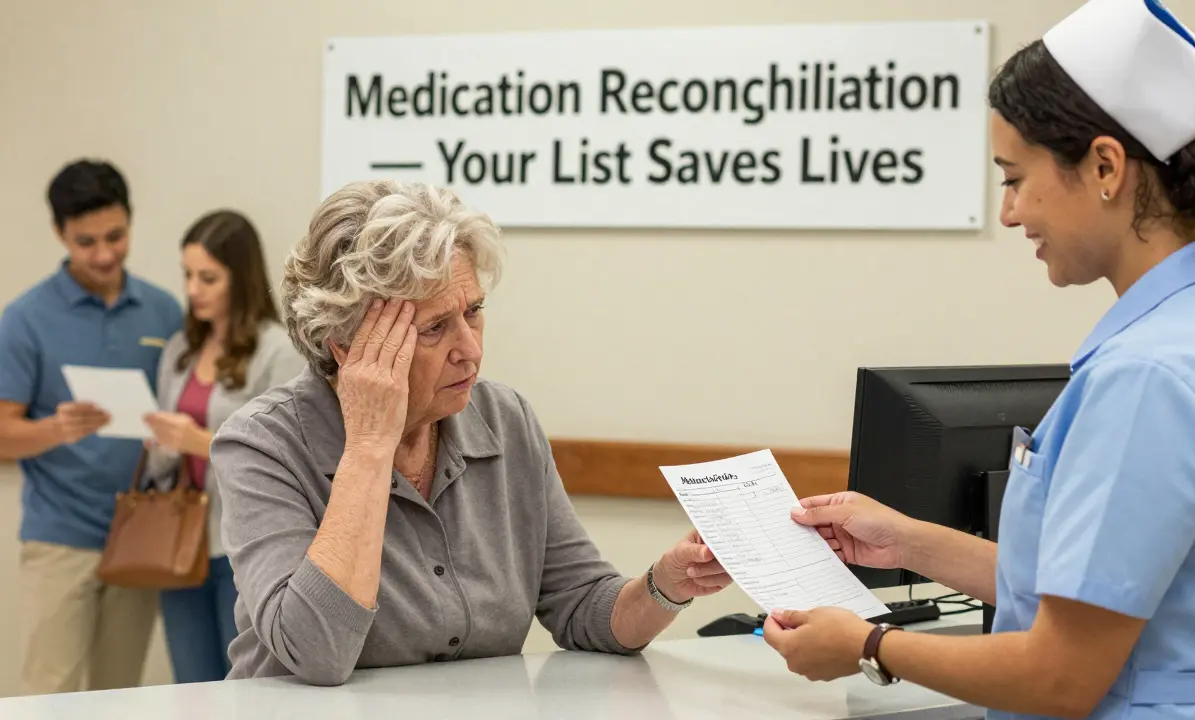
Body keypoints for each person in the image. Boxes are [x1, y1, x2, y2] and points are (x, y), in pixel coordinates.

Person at [758, 1, 1195, 718]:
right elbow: (1095, 590)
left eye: (1013, 177)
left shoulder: (1149, 376)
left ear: (1104, 166)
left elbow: (1060, 676)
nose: (1007, 212)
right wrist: (908, 539)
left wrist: (868, 646)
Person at [208, 180, 734, 686]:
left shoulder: (506, 420)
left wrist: (664, 585)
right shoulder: (261, 444)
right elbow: (315, 652)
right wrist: (370, 445)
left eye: (475, 312)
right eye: (434, 327)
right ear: (347, 349)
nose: (471, 349)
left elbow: (581, 605)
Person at [0, 159, 185, 694]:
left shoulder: (163, 312)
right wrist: (53, 430)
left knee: (118, 697)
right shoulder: (25, 318)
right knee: (47, 695)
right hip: (59, 540)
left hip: (140, 534)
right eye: (86, 242)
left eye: (116, 236)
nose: (104, 254)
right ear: (60, 234)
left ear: (129, 221)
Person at [142, 210, 305, 683]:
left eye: (208, 277)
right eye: (188, 275)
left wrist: (197, 441)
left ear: (241, 278)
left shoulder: (276, 350)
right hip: (180, 544)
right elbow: (159, 465)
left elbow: (288, 454)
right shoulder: (179, 351)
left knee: (245, 689)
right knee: (191, 687)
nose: (193, 290)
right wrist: (166, 444)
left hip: (245, 549)